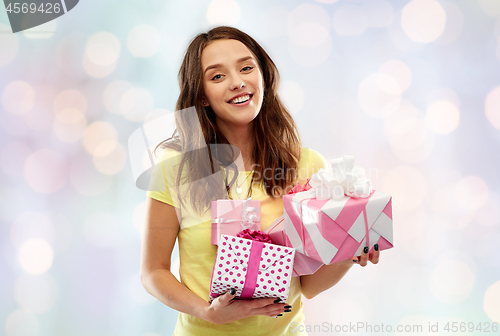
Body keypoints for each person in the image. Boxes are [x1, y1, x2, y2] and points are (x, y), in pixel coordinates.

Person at [140, 26, 381, 335]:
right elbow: (153, 272)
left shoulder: (307, 166)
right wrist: (207, 313)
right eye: (217, 76)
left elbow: (307, 286)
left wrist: (347, 256)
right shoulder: (175, 168)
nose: (238, 82)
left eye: (246, 68)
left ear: (263, 75)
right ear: (201, 95)